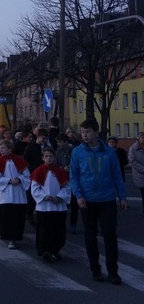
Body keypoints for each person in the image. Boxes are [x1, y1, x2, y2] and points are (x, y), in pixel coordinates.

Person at [69, 119, 127, 284]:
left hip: (107, 198)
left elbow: (117, 175)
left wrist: (122, 197)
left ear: (96, 132)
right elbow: (74, 176)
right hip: (86, 199)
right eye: (83, 132)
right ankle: (95, 269)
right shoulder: (78, 152)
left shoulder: (109, 152)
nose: (84, 135)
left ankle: (113, 271)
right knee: (90, 235)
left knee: (109, 235)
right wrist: (78, 195)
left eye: (87, 132)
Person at [31, 147, 71, 261]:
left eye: (51, 156)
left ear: (54, 157)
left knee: (58, 228)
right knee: (44, 229)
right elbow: (35, 188)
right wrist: (45, 196)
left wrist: (59, 197)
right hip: (44, 206)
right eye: (46, 156)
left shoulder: (60, 171)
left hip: (58, 206)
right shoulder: (38, 171)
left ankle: (56, 249)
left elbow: (66, 187)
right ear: (43, 158)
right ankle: (45, 250)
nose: (49, 158)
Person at [0, 139, 30, 250]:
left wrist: (19, 179)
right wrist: (8, 181)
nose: (0, 150)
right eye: (0, 148)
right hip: (6, 193)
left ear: (10, 149)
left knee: (17, 216)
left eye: (3, 148)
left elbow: (26, 175)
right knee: (7, 216)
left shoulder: (18, 160)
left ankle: (16, 236)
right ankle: (9, 238)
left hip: (18, 193)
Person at [128, 131, 144, 215]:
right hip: (140, 174)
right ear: (139, 138)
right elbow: (132, 161)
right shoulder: (133, 148)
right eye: (142, 137)